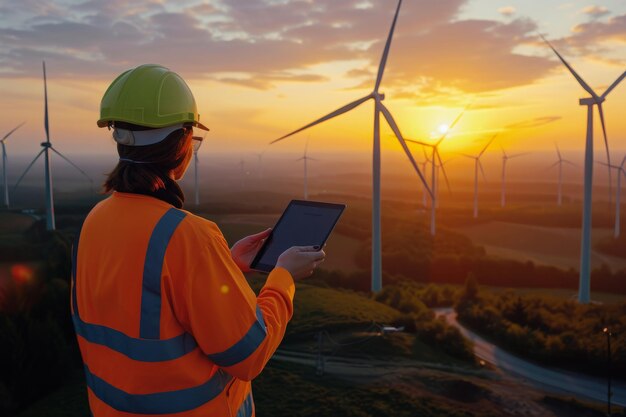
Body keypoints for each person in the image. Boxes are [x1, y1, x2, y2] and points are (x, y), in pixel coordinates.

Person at [71, 64, 325, 416]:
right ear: (181, 142)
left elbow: (147, 299)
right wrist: (282, 277)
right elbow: (249, 355)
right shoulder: (188, 235)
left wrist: (228, 265)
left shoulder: (95, 221)